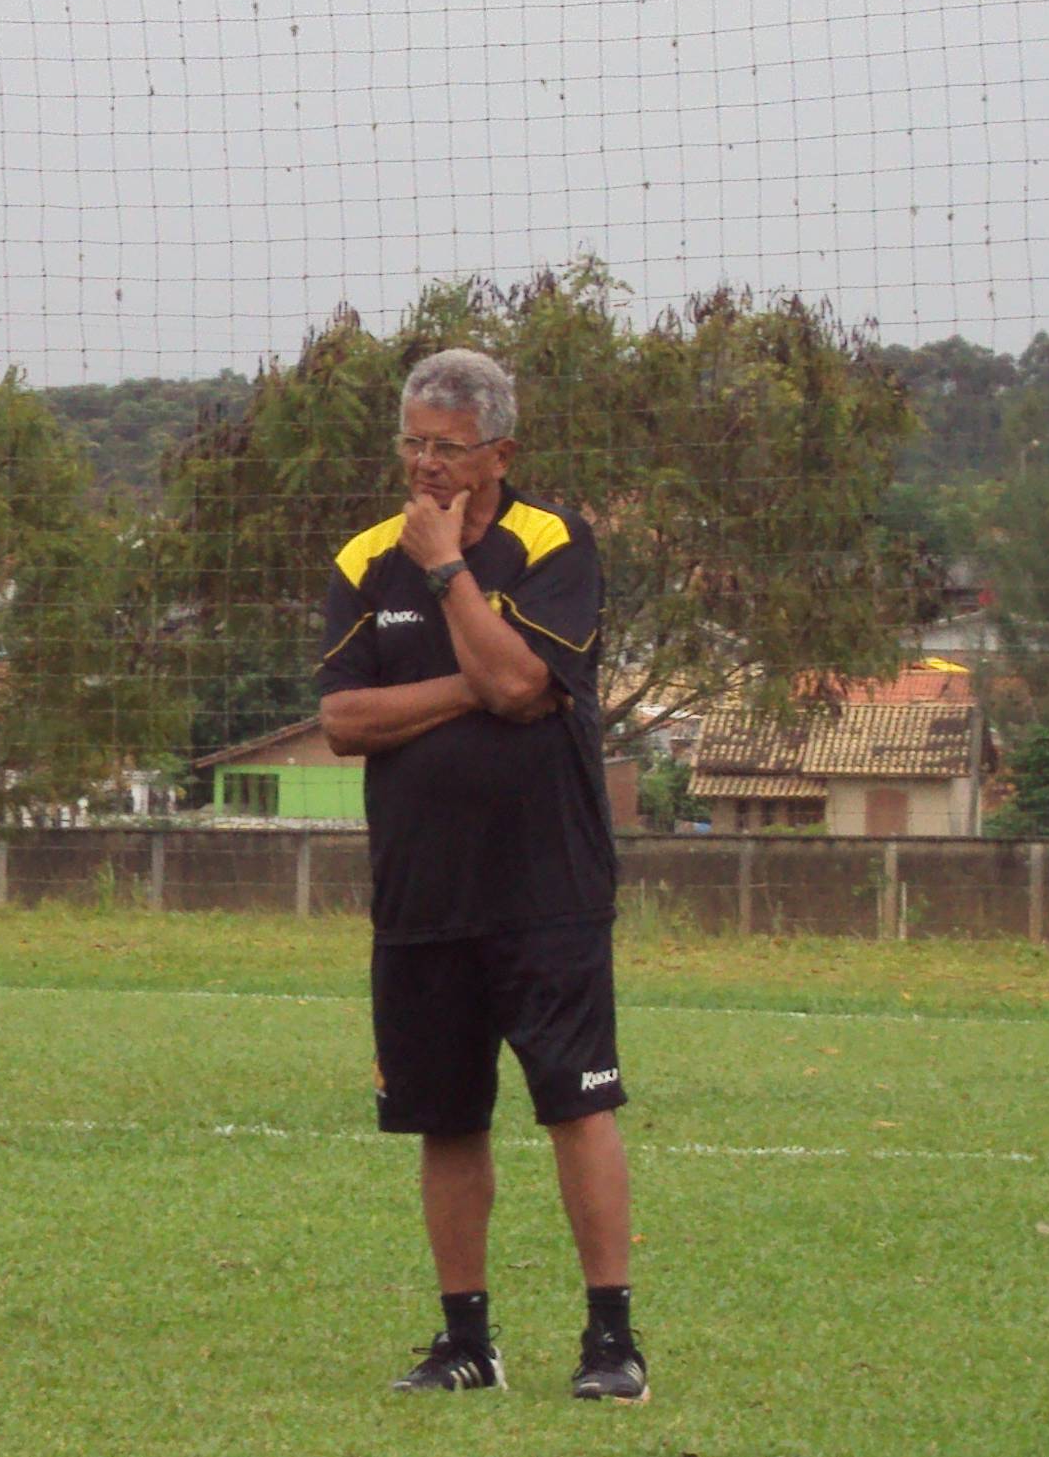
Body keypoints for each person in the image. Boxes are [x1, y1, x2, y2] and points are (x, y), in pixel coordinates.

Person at [316, 349, 648, 1405]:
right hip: (421, 892)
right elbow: (342, 721)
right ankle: (466, 1343)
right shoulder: (364, 560)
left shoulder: (553, 544)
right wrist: (478, 685)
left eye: (448, 451)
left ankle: (610, 1344)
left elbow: (528, 682)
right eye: (413, 444)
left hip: (545, 885)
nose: (427, 467)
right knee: (446, 1119)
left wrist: (453, 571)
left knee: (575, 1106)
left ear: (499, 453)